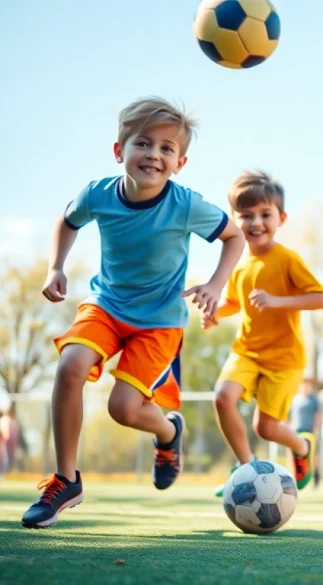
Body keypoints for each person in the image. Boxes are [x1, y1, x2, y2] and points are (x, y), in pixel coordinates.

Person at [23, 97, 245, 529]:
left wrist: (215, 285)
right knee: (69, 366)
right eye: (143, 143)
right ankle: (66, 480)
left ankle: (168, 432)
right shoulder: (98, 195)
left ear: (180, 163)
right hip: (106, 305)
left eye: (166, 148)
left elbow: (233, 237)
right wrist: (56, 267)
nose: (153, 155)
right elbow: (67, 221)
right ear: (118, 150)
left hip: (159, 322)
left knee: (123, 409)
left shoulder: (186, 205)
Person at [205, 171, 323, 497]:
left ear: (281, 219)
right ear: (234, 219)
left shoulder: (287, 259)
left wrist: (278, 301)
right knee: (222, 396)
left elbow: (322, 298)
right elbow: (234, 302)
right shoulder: (238, 263)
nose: (256, 222)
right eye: (246, 215)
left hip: (284, 359)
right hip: (246, 351)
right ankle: (245, 466)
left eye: (265, 214)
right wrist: (214, 313)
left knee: (266, 427)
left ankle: (302, 447)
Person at [291, 377, 323, 488]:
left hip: (309, 431)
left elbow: (318, 415)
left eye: (308, 386)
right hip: (296, 431)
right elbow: (289, 416)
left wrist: (316, 429)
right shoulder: (294, 400)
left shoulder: (313, 400)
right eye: (303, 385)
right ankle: (294, 477)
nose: (305, 388)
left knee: (313, 455)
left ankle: (315, 476)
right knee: (295, 456)